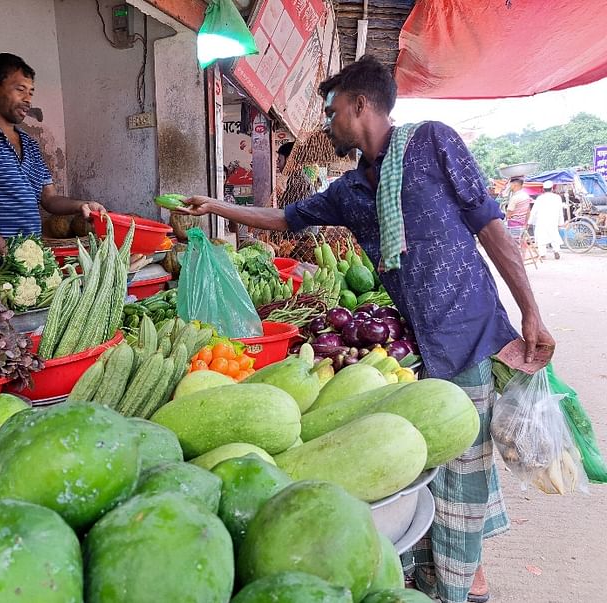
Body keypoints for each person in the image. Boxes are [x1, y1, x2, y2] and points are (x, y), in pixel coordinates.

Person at [176, 55, 555, 603]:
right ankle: (431, 576)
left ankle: (459, 588)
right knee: (424, 463)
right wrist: (217, 208)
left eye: (331, 111)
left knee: (462, 472)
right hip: (415, 346)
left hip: (469, 333)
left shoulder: (432, 142)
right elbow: (287, 220)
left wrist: (531, 310)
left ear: (360, 105)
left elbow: (491, 226)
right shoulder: (352, 190)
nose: (327, 123)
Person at [0, 53, 105, 256]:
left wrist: (82, 205)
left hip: (28, 264)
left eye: (31, 92)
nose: (28, 99)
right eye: (20, 90)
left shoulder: (30, 144)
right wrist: (8, 253)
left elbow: (49, 199)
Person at [529, 180, 564, 259]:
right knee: (554, 235)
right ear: (552, 188)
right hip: (553, 220)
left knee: (541, 237)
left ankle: (542, 254)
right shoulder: (557, 198)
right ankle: (556, 251)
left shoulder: (540, 198)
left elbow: (534, 211)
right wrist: (560, 222)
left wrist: (530, 221)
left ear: (543, 189)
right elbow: (560, 211)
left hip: (542, 220)